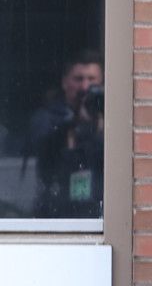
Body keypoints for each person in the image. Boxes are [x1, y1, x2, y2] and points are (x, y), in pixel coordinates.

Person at [25, 49, 105, 218]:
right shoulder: (48, 116)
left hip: (97, 212)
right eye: (78, 79)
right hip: (57, 212)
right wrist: (75, 124)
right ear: (65, 82)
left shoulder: (108, 120)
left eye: (92, 79)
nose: (85, 87)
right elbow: (41, 146)